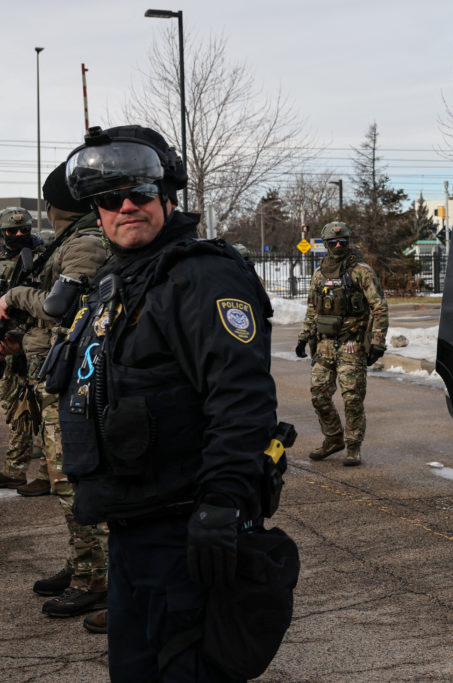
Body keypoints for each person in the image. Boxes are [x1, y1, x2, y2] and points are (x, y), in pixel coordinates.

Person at [54, 124, 279, 680]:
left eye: (140, 192)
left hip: (185, 531)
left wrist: (221, 502)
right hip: (132, 527)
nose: (125, 206)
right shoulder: (120, 278)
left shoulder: (201, 275)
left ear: (169, 195)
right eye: (109, 198)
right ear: (96, 212)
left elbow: (242, 397)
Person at [0, 168, 111, 622]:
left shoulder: (84, 244)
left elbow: (59, 307)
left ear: (55, 207)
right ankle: (84, 563)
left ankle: (96, 577)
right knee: (65, 481)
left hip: (72, 383)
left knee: (72, 482)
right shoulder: (68, 243)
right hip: (50, 375)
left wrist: (17, 296)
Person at [295, 221, 388, 465]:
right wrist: (303, 337)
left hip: (351, 344)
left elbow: (379, 307)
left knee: (352, 397)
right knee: (319, 394)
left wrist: (377, 341)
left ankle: (353, 446)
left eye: (342, 242)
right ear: (325, 245)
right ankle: (333, 438)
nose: (338, 245)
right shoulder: (319, 273)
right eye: (333, 242)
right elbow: (312, 309)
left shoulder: (361, 271)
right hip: (324, 344)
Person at [0, 207, 41, 490]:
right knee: (16, 407)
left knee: (47, 410)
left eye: (24, 230)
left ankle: (49, 474)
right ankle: (16, 469)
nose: (18, 235)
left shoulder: (43, 256)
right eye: (12, 232)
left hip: (37, 341)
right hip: (8, 344)